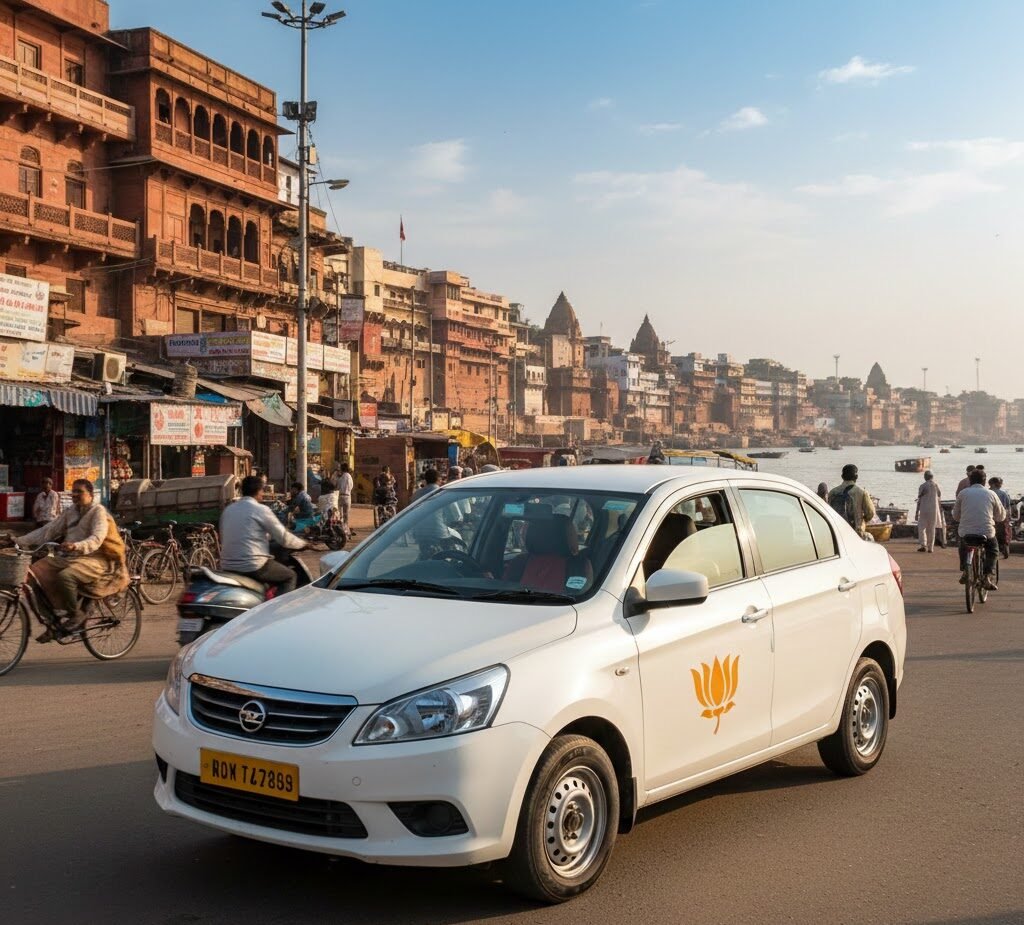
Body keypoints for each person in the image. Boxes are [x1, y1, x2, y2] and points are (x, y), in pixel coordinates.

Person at [1, 479, 127, 641]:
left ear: (90, 494)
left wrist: (77, 546)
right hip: (70, 557)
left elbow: (97, 538)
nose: (74, 495)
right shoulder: (71, 512)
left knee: (65, 576)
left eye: (79, 492)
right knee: (32, 573)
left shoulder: (98, 512)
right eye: (73, 491)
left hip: (95, 559)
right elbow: (48, 530)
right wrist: (17, 540)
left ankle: (76, 614)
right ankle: (52, 620)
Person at [219, 475, 306, 596]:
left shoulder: (229, 510)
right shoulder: (261, 509)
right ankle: (274, 613)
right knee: (290, 576)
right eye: (262, 490)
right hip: (252, 566)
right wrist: (304, 544)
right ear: (259, 491)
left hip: (227, 565)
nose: (263, 493)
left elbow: (224, 537)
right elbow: (284, 538)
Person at [952, 469, 1004, 590]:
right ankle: (987, 576)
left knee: (963, 545)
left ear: (970, 481)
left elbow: (955, 516)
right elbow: (1001, 516)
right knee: (993, 550)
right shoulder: (991, 494)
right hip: (986, 532)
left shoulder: (963, 493)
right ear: (985, 481)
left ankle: (965, 570)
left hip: (966, 532)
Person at [827, 464, 876, 538]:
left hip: (836, 533)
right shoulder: (862, 492)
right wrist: (862, 521)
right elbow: (870, 513)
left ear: (842, 477)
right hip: (856, 534)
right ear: (856, 477)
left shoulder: (832, 492)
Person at [915, 471, 942, 553]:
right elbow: (939, 494)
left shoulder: (923, 486)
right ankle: (931, 548)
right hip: (934, 510)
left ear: (925, 477)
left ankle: (923, 545)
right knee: (931, 528)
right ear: (932, 477)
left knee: (921, 527)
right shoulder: (936, 485)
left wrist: (916, 512)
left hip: (924, 509)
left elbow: (919, 499)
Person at [988, 476, 1012, 559]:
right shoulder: (1004, 494)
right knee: (1005, 532)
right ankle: (1005, 545)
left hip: (990, 517)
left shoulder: (987, 493)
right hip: (1002, 517)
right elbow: (1008, 507)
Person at [336, 462, 354, 533]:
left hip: (341, 496)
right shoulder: (349, 476)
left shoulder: (341, 477)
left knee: (340, 515)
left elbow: (337, 487)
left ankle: (341, 529)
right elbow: (351, 486)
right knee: (346, 515)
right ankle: (346, 529)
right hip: (347, 496)